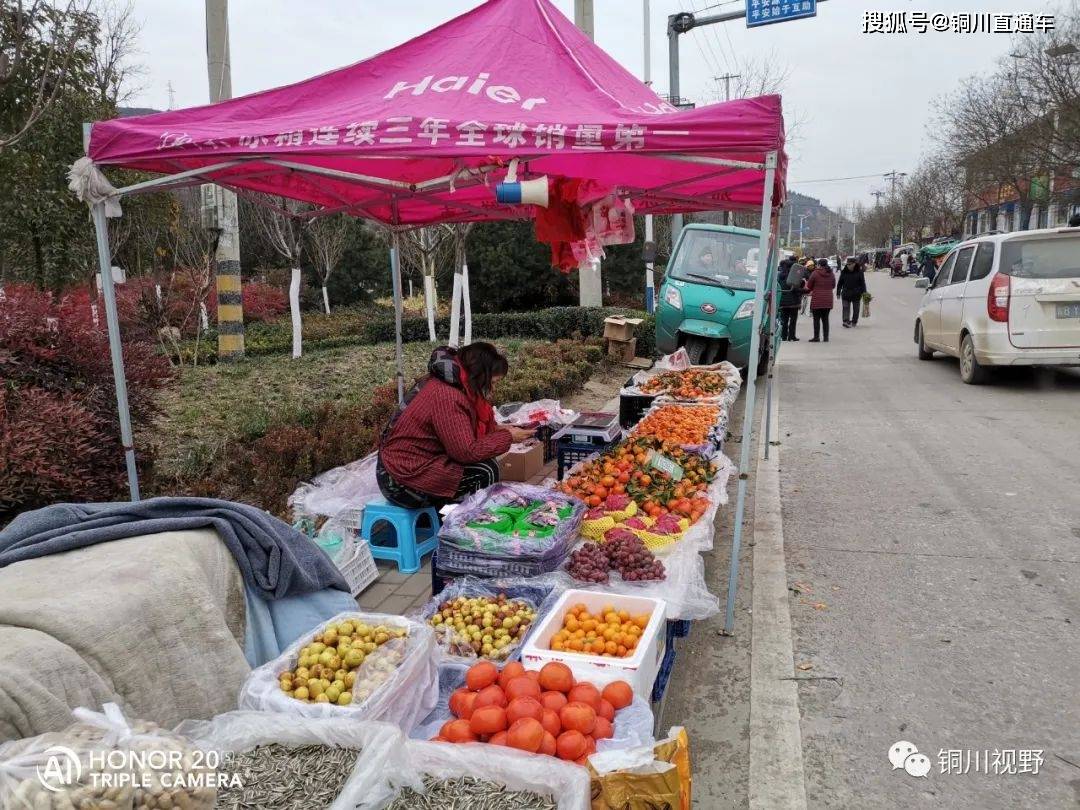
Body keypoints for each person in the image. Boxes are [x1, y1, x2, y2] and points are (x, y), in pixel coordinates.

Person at [377, 342, 534, 509]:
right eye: (493, 382)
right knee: (485, 470)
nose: (493, 389)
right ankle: (468, 526)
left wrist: (501, 430)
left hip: (413, 465)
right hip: (401, 481)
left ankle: (452, 516)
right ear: (480, 376)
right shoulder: (447, 395)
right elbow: (466, 452)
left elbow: (461, 430)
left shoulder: (453, 384)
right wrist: (508, 436)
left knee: (484, 463)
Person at [804, 258, 836, 342]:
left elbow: (809, 286)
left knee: (816, 319)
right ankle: (826, 337)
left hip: (817, 299)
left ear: (819, 265)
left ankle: (816, 337)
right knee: (825, 319)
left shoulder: (815, 273)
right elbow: (833, 285)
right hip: (828, 299)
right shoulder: (831, 273)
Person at [836, 257, 867, 328]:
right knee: (845, 307)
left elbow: (862, 283)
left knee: (856, 309)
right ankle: (846, 321)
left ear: (854, 264)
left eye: (850, 264)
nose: (848, 266)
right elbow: (840, 283)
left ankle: (854, 321)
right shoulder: (844, 272)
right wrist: (838, 293)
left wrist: (864, 292)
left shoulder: (859, 272)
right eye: (847, 264)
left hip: (856, 293)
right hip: (846, 293)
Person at [777, 259, 802, 341]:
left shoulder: (779, 275)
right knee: (793, 320)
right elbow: (796, 288)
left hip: (783, 301)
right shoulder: (793, 277)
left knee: (784, 320)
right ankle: (792, 336)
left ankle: (783, 336)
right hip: (793, 302)